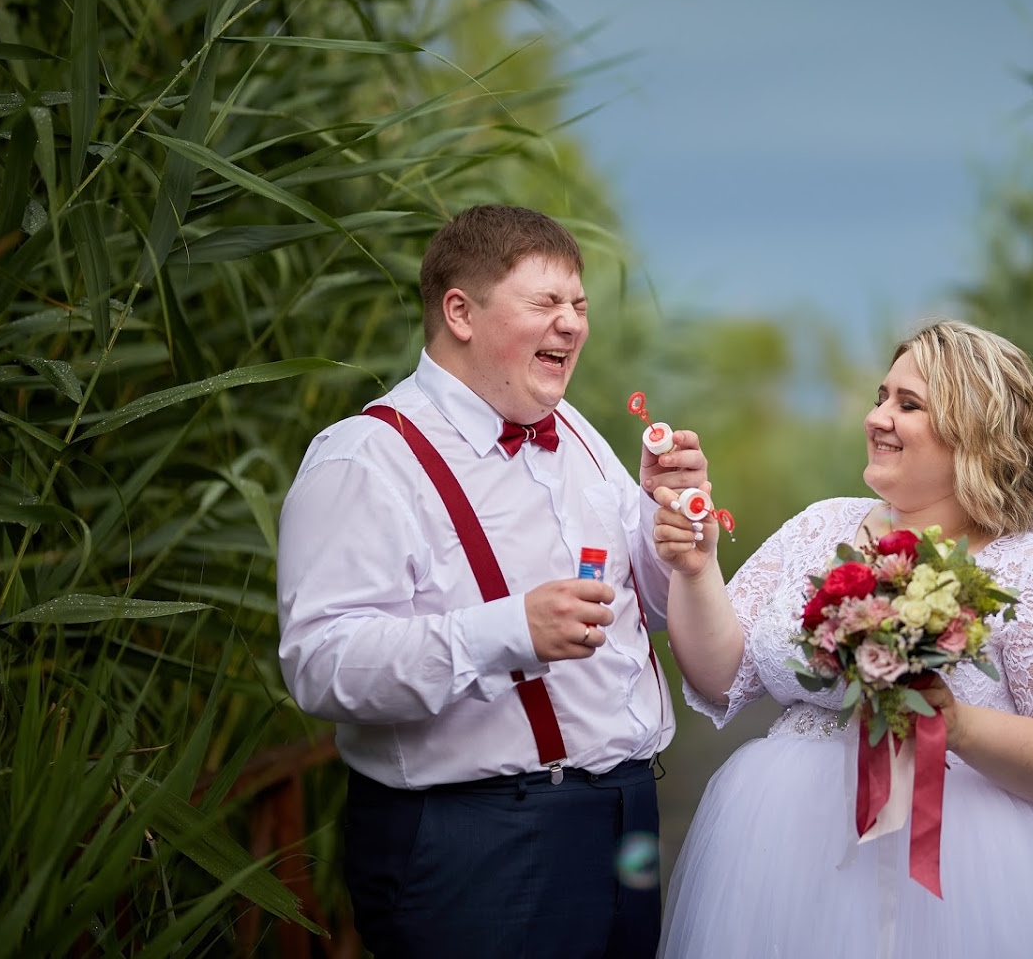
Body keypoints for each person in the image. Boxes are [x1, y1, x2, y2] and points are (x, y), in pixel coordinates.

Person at [652, 319, 1033, 958]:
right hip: (782, 853)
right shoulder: (818, 529)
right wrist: (697, 570)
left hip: (970, 880)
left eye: (908, 404)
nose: (877, 418)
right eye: (880, 397)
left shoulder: (1031, 573)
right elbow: (720, 674)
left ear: (973, 434)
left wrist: (956, 724)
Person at [276, 204, 709, 958]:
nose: (572, 324)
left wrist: (668, 531)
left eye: (579, 304)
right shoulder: (364, 459)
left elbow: (651, 617)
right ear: (460, 312)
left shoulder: (577, 432)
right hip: (478, 845)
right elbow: (319, 666)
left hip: (621, 819)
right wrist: (507, 632)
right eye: (545, 302)